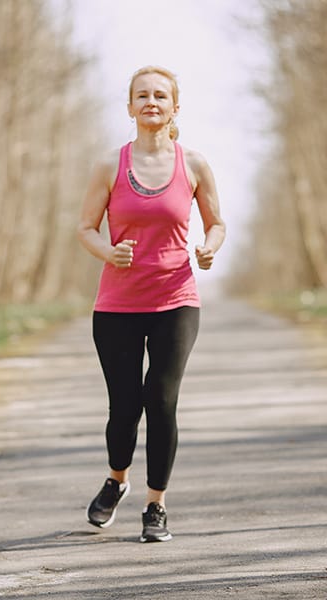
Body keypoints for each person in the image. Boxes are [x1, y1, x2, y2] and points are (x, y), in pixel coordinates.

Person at [77, 65, 225, 542]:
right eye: (142, 95)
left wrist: (209, 247)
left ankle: (155, 503)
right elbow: (85, 229)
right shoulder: (109, 165)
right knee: (124, 406)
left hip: (176, 299)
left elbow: (217, 223)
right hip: (117, 303)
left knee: (161, 400)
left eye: (161, 95)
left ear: (175, 107)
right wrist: (109, 251)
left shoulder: (194, 165)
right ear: (130, 107)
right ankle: (117, 479)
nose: (151, 102)